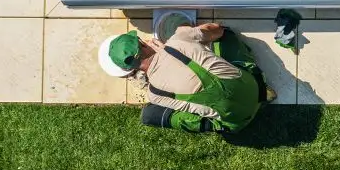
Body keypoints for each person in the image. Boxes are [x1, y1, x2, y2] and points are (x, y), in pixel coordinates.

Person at [97, 22, 275, 133]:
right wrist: (181, 36)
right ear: (143, 43)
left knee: (149, 114)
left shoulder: (154, 94)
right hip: (255, 86)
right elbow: (216, 30)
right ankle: (265, 94)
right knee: (226, 35)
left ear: (129, 72)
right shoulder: (178, 40)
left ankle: (213, 124)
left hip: (238, 121)